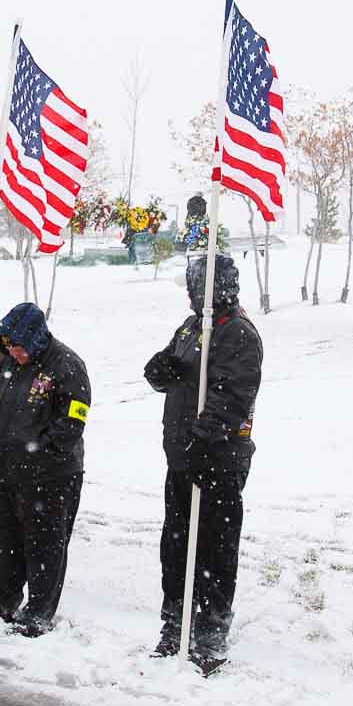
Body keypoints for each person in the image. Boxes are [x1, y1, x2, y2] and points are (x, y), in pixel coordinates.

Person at [142, 252, 261, 670]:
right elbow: (173, 373)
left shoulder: (238, 333)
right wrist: (160, 370)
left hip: (218, 460)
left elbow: (233, 396)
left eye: (196, 285)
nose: (192, 294)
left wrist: (203, 438)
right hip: (181, 457)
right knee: (175, 545)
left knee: (214, 547)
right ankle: (175, 621)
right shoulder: (194, 327)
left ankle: (211, 630)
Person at [0, 303, 88, 636]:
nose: (15, 351)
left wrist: (41, 453)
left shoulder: (66, 366)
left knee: (45, 542)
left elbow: (72, 420)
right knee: (6, 537)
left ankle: (39, 609)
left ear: (36, 338)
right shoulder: (6, 364)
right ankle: (5, 598)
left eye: (19, 345)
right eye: (9, 345)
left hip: (49, 474)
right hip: (5, 469)